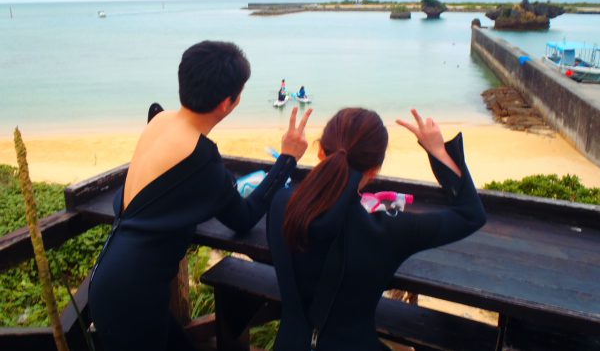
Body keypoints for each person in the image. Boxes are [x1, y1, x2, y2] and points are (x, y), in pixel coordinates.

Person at [88, 40, 312, 351]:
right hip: (133, 298)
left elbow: (167, 192)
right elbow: (244, 217)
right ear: (228, 103)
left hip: (113, 279)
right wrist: (287, 159)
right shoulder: (201, 158)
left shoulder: (160, 120)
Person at [267, 108, 486, 351]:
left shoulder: (281, 205)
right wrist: (437, 150)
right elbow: (471, 215)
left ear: (320, 152)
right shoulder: (387, 232)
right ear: (374, 171)